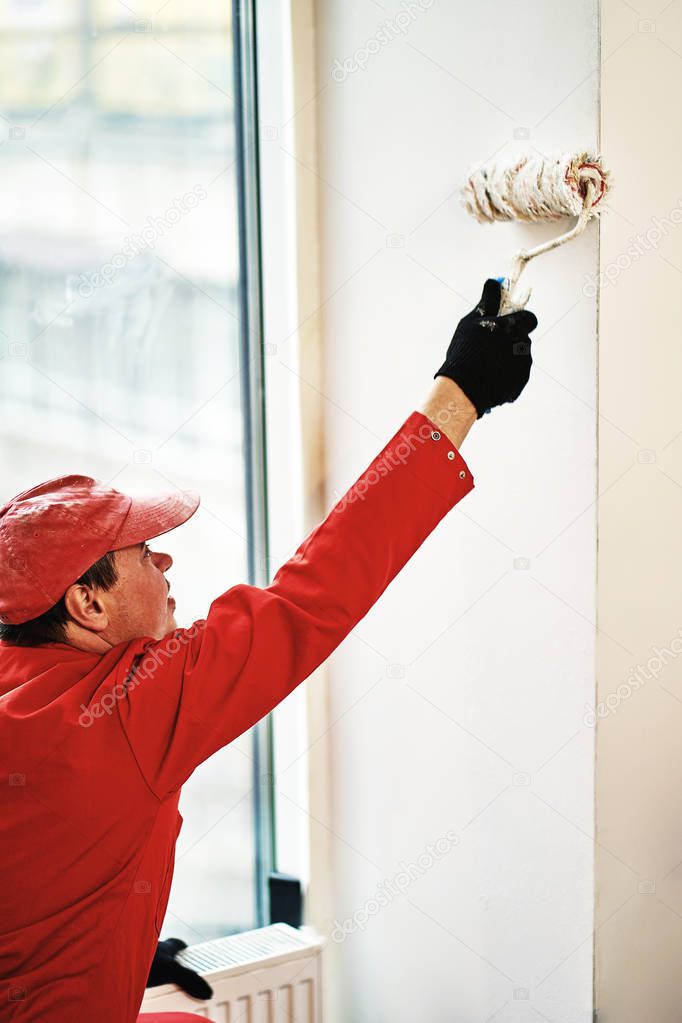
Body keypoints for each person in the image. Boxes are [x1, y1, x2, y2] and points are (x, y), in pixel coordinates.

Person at [0, 278, 538, 1022]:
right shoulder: (126, 710)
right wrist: (461, 394)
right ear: (86, 601)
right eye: (145, 552)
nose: (167, 566)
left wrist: (97, 934)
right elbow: (311, 597)